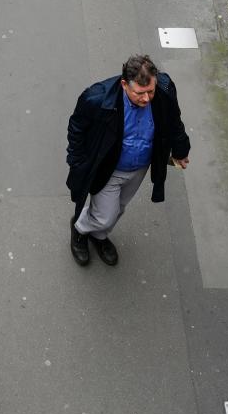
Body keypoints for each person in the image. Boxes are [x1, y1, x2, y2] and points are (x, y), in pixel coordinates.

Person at [66, 55, 190, 268]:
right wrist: (77, 162)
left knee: (119, 208)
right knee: (106, 214)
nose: (147, 99)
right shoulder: (97, 98)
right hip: (109, 169)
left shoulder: (165, 89)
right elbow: (76, 129)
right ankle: (80, 230)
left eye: (150, 91)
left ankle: (99, 235)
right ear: (125, 84)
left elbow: (173, 122)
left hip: (139, 167)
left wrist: (180, 150)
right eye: (140, 93)